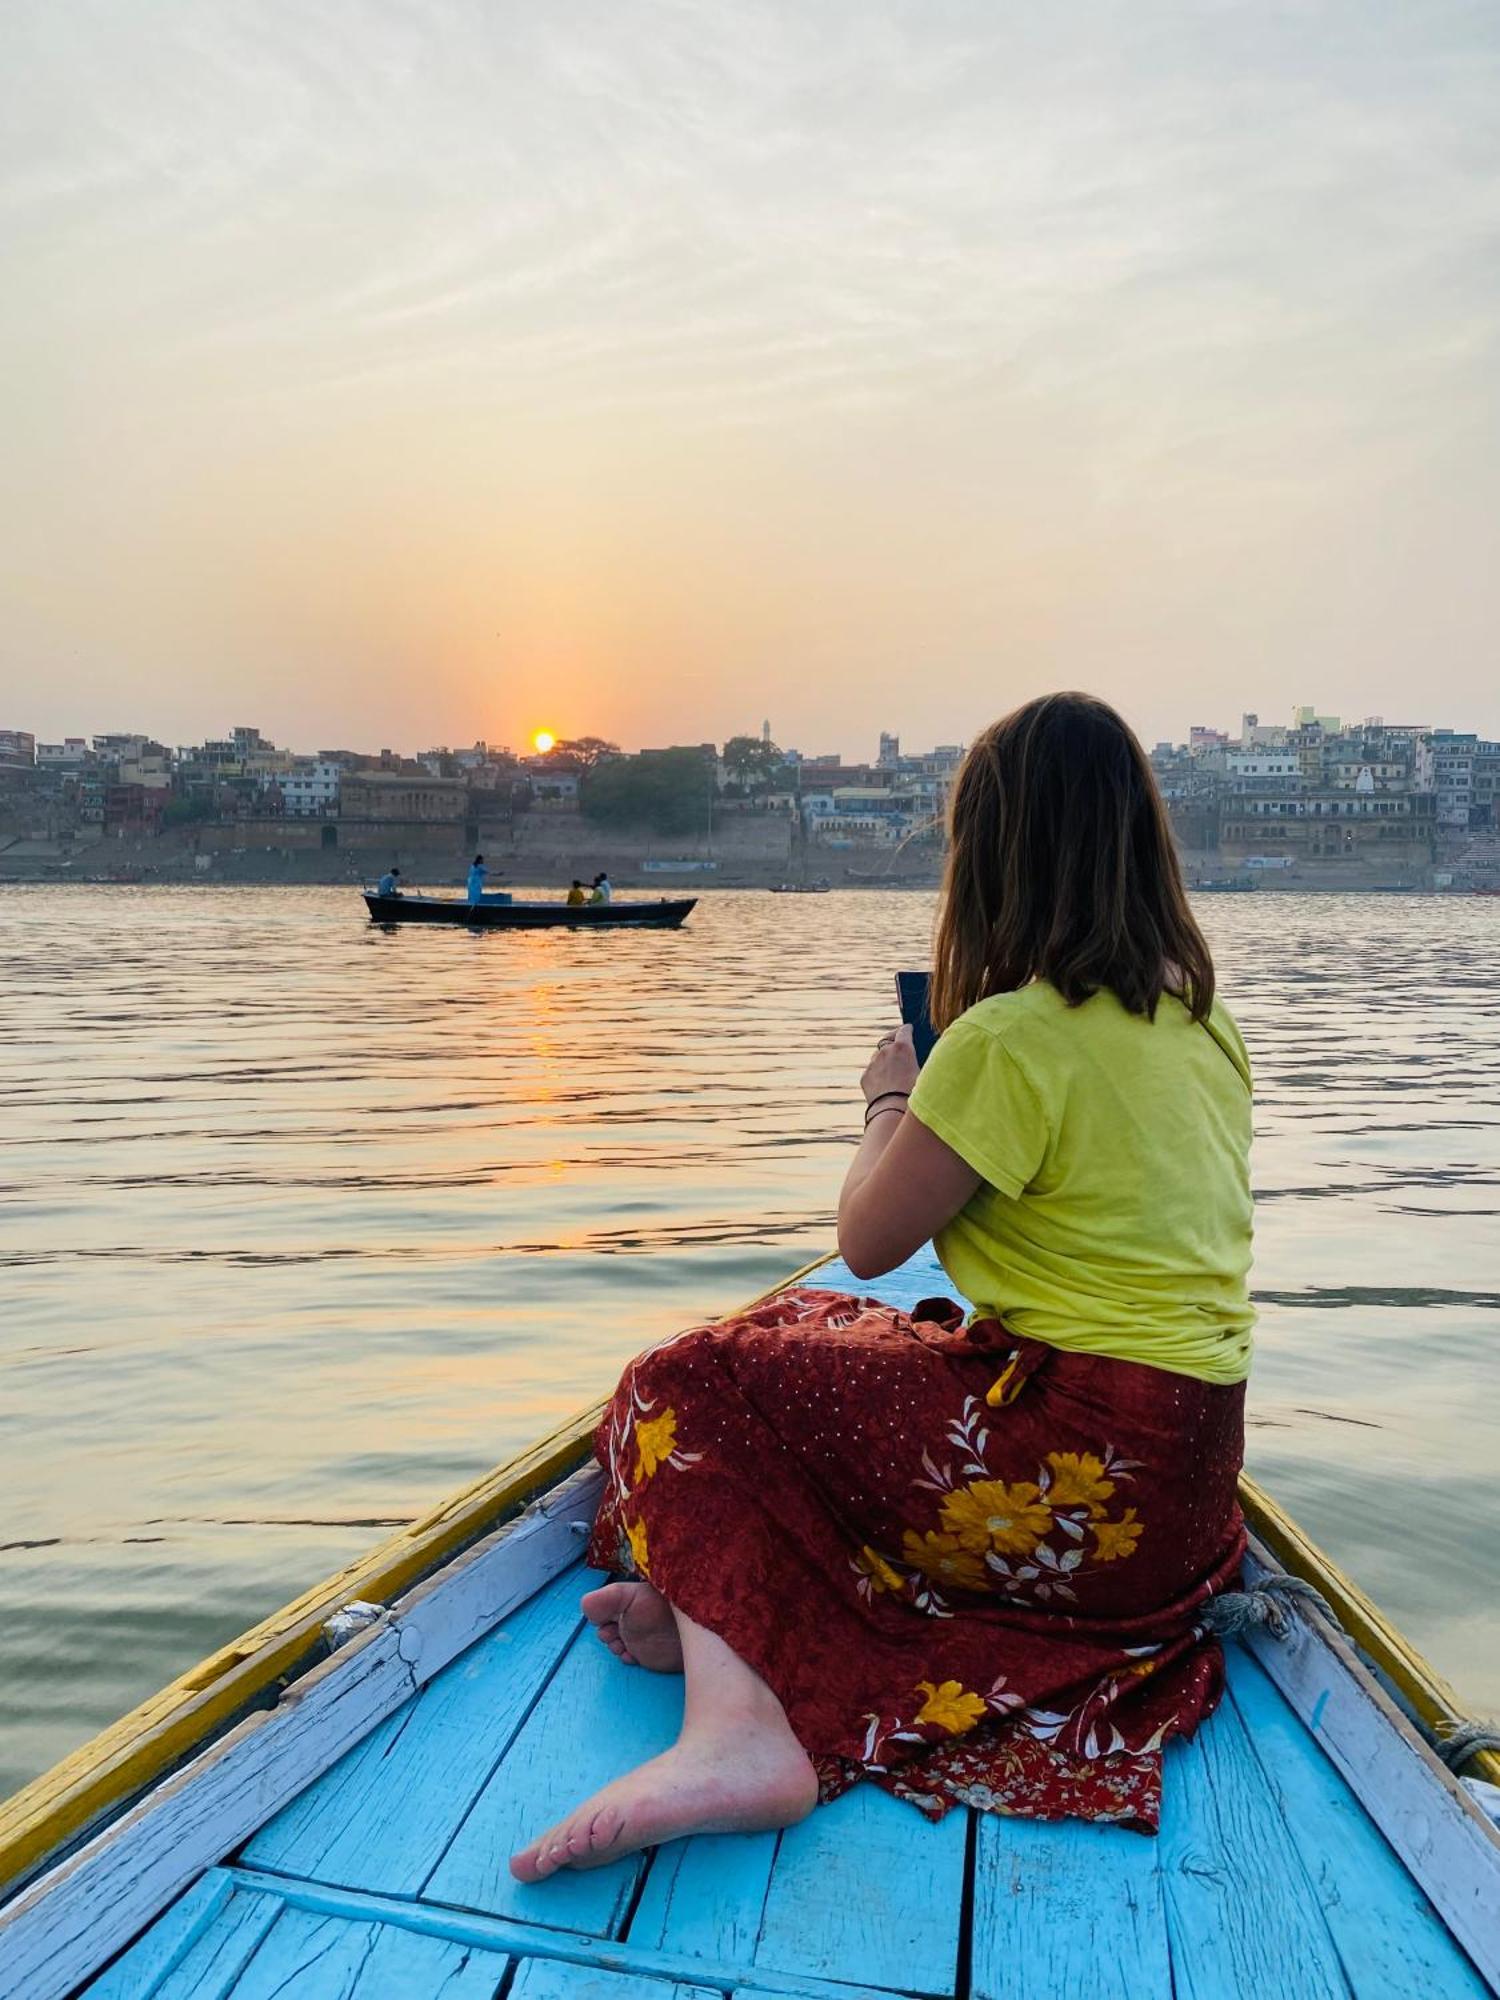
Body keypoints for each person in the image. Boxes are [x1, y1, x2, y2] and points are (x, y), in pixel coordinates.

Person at [510, 692, 1254, 1883]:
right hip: (1183, 1507)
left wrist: (892, 1100)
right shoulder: (1202, 1025)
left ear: (994, 859)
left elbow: (865, 1236)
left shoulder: (1010, 1038)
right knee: (795, 1328)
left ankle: (738, 1730)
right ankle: (727, 1628)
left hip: (1073, 1483)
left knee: (679, 1383)